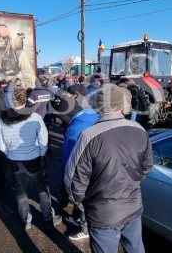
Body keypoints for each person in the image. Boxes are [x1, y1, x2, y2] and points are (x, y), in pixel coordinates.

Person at [65, 83, 152, 252]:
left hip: (102, 213)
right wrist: (129, 184)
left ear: (98, 105)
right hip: (133, 205)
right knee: (136, 249)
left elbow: (74, 180)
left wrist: (81, 202)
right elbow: (147, 166)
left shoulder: (89, 135)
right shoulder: (139, 129)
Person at [0, 87, 54, 230]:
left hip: (15, 160)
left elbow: (1, 145)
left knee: (20, 191)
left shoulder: (2, 120)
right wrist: (41, 153)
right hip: (34, 158)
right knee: (42, 189)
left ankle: (25, 219)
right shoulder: (35, 117)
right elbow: (44, 139)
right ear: (25, 100)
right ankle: (47, 217)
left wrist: (10, 154)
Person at [59, 84, 98, 241]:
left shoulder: (79, 120)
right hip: (91, 163)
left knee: (81, 197)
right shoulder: (98, 117)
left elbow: (70, 147)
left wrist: (67, 168)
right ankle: (80, 219)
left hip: (79, 164)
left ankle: (85, 227)